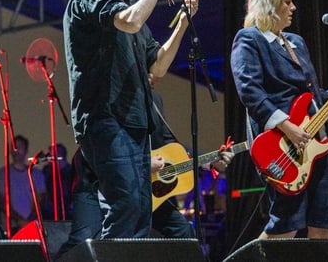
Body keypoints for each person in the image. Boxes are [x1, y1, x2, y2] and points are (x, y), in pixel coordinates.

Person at [63, 0, 199, 238]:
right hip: (105, 118)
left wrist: (182, 23)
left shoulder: (129, 9)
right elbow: (129, 21)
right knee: (126, 206)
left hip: (134, 122)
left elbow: (159, 65)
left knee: (139, 210)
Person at [229, 0, 328, 239]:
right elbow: (249, 89)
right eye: (287, 2)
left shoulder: (296, 43)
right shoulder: (249, 39)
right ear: (269, 4)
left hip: (316, 142)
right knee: (286, 223)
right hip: (282, 145)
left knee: (323, 222)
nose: (293, 8)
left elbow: (312, 96)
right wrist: (287, 127)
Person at [55, 84, 233, 260]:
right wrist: (144, 162)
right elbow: (104, 145)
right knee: (82, 241)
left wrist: (208, 160)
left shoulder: (154, 100)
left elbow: (169, 143)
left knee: (184, 231)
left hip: (138, 186)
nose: (154, 76)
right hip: (96, 181)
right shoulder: (109, 96)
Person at [0, 134, 47, 236]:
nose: (16, 150)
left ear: (26, 150)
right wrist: (19, 220)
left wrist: (29, 220)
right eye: (13, 147)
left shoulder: (36, 174)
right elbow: (0, 200)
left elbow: (40, 199)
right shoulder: (2, 173)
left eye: (19, 147)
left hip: (33, 226)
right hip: (10, 228)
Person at [41, 143, 73, 220]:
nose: (48, 157)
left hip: (68, 211)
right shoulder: (47, 171)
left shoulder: (72, 172)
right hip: (49, 211)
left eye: (51, 155)